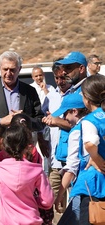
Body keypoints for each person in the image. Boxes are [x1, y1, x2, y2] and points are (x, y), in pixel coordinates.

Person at [0, 123, 54, 225]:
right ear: (27, 145)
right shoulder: (37, 170)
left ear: (5, 145)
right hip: (31, 219)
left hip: (6, 221)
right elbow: (47, 201)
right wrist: (34, 200)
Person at [0, 50, 45, 132]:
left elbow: (40, 122)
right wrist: (0, 121)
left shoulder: (29, 91)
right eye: (5, 69)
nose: (8, 73)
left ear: (19, 69)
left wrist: (25, 119)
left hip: (22, 143)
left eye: (12, 70)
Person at [68, 75, 105, 225]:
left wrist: (96, 158)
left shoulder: (90, 120)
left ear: (87, 100)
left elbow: (90, 143)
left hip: (94, 183)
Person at [42, 59, 73, 220]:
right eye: (56, 78)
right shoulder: (51, 97)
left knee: (73, 205)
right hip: (54, 161)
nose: (60, 81)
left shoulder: (77, 95)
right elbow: (42, 122)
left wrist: (58, 122)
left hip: (73, 161)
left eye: (63, 77)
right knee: (53, 203)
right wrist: (42, 143)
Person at [50, 93, 88, 225]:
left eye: (65, 114)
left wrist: (59, 195)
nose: (64, 118)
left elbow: (72, 167)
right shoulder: (95, 122)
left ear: (74, 111)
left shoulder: (76, 131)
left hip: (84, 187)